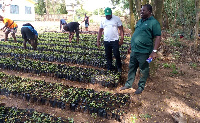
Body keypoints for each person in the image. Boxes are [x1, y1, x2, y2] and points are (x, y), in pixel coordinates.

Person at [120, 4, 161, 94]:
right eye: (141, 10)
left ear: (149, 12)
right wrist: (130, 46)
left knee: (144, 69)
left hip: (145, 52)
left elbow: (158, 37)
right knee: (131, 67)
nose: (141, 12)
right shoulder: (139, 21)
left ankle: (141, 87)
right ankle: (128, 84)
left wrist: (154, 52)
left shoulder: (154, 22)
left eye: (143, 11)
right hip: (134, 50)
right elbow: (136, 34)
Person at [97, 7, 124, 72]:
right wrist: (98, 40)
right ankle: (110, 67)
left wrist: (122, 39)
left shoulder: (116, 19)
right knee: (108, 55)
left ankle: (119, 67)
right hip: (106, 41)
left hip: (114, 41)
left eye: (109, 15)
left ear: (111, 14)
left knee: (116, 54)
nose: (107, 16)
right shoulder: (103, 20)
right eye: (106, 15)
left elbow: (121, 29)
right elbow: (100, 31)